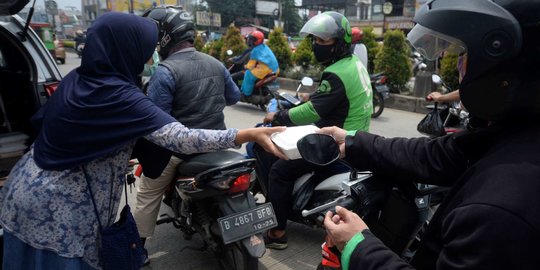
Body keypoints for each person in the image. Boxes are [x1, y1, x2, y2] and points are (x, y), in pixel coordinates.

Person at [0, 12, 285, 270]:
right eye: (144, 49)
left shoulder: (81, 80)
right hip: (58, 207)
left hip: (28, 183)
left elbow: (44, 122)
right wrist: (245, 133)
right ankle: (137, 249)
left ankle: (144, 244)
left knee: (148, 194)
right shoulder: (121, 93)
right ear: (125, 47)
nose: (150, 58)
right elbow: (180, 134)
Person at [318, 0, 540, 269]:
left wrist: (358, 245)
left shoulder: (499, 209)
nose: (457, 64)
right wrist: (352, 142)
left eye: (463, 54)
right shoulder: (511, 136)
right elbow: (439, 153)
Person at [254, 11, 373, 250]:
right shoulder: (352, 64)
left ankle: (277, 233)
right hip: (355, 136)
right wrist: (314, 95)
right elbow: (337, 98)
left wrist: (278, 115)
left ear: (338, 44)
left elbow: (311, 113)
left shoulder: (336, 73)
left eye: (323, 41)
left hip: (335, 143)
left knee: (279, 170)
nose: (317, 45)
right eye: (315, 40)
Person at [134, 6, 241, 263]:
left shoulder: (165, 71)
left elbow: (157, 120)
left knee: (148, 192)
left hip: (179, 150)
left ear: (164, 37)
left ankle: (137, 249)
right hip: (218, 143)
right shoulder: (215, 63)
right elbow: (234, 97)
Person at [240, 30, 279, 98]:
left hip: (264, 70)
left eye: (252, 39)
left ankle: (246, 94)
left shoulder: (255, 50)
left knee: (248, 74)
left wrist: (245, 66)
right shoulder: (265, 47)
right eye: (250, 39)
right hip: (275, 69)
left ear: (257, 40)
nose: (250, 41)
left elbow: (251, 65)